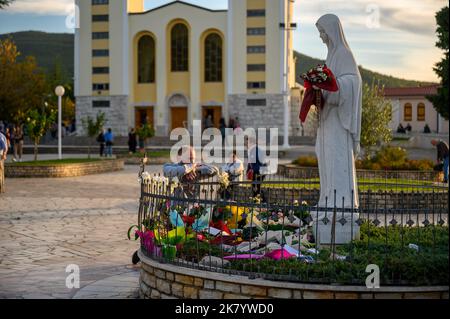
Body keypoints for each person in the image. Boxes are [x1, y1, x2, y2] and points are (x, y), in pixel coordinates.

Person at [315, 14, 362, 222]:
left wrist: (332, 88)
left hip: (338, 123)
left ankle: (341, 205)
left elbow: (353, 82)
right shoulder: (331, 56)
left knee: (337, 160)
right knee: (325, 158)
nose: (321, 37)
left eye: (323, 32)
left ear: (332, 32)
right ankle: (327, 200)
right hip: (328, 121)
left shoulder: (344, 54)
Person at [247, 137, 267, 202]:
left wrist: (252, 170)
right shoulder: (252, 150)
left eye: (248, 142)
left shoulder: (256, 150)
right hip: (256, 172)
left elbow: (261, 162)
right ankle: (256, 201)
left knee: (257, 187)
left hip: (259, 172)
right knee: (255, 187)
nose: (246, 144)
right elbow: (250, 162)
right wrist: (248, 170)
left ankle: (263, 201)